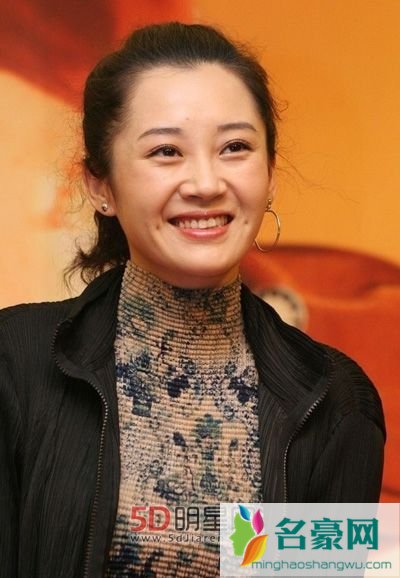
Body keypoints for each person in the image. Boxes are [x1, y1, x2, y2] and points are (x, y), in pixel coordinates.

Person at [0, 21, 385, 578]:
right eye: (166, 151)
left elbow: (327, 568)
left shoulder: (336, 401)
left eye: (235, 148)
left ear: (270, 173)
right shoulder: (14, 363)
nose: (205, 183)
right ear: (100, 186)